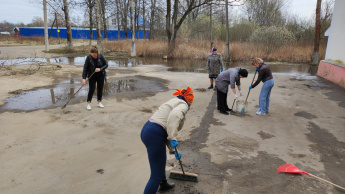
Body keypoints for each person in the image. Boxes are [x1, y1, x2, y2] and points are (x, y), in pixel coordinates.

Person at [140, 87, 194, 194]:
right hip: (156, 133)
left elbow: (167, 130)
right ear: (188, 100)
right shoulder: (183, 105)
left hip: (148, 130)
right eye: (191, 102)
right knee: (156, 175)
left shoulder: (174, 101)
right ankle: (159, 182)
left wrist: (174, 150)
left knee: (160, 161)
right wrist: (173, 138)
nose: (191, 104)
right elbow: (173, 118)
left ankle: (163, 184)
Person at [82, 46, 108, 110]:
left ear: (97, 53)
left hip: (100, 75)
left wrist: (100, 69)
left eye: (94, 55)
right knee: (92, 89)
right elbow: (85, 68)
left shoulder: (101, 56)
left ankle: (99, 102)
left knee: (100, 89)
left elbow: (106, 65)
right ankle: (88, 104)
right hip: (92, 76)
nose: (93, 56)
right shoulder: (88, 58)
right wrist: (84, 79)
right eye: (92, 55)